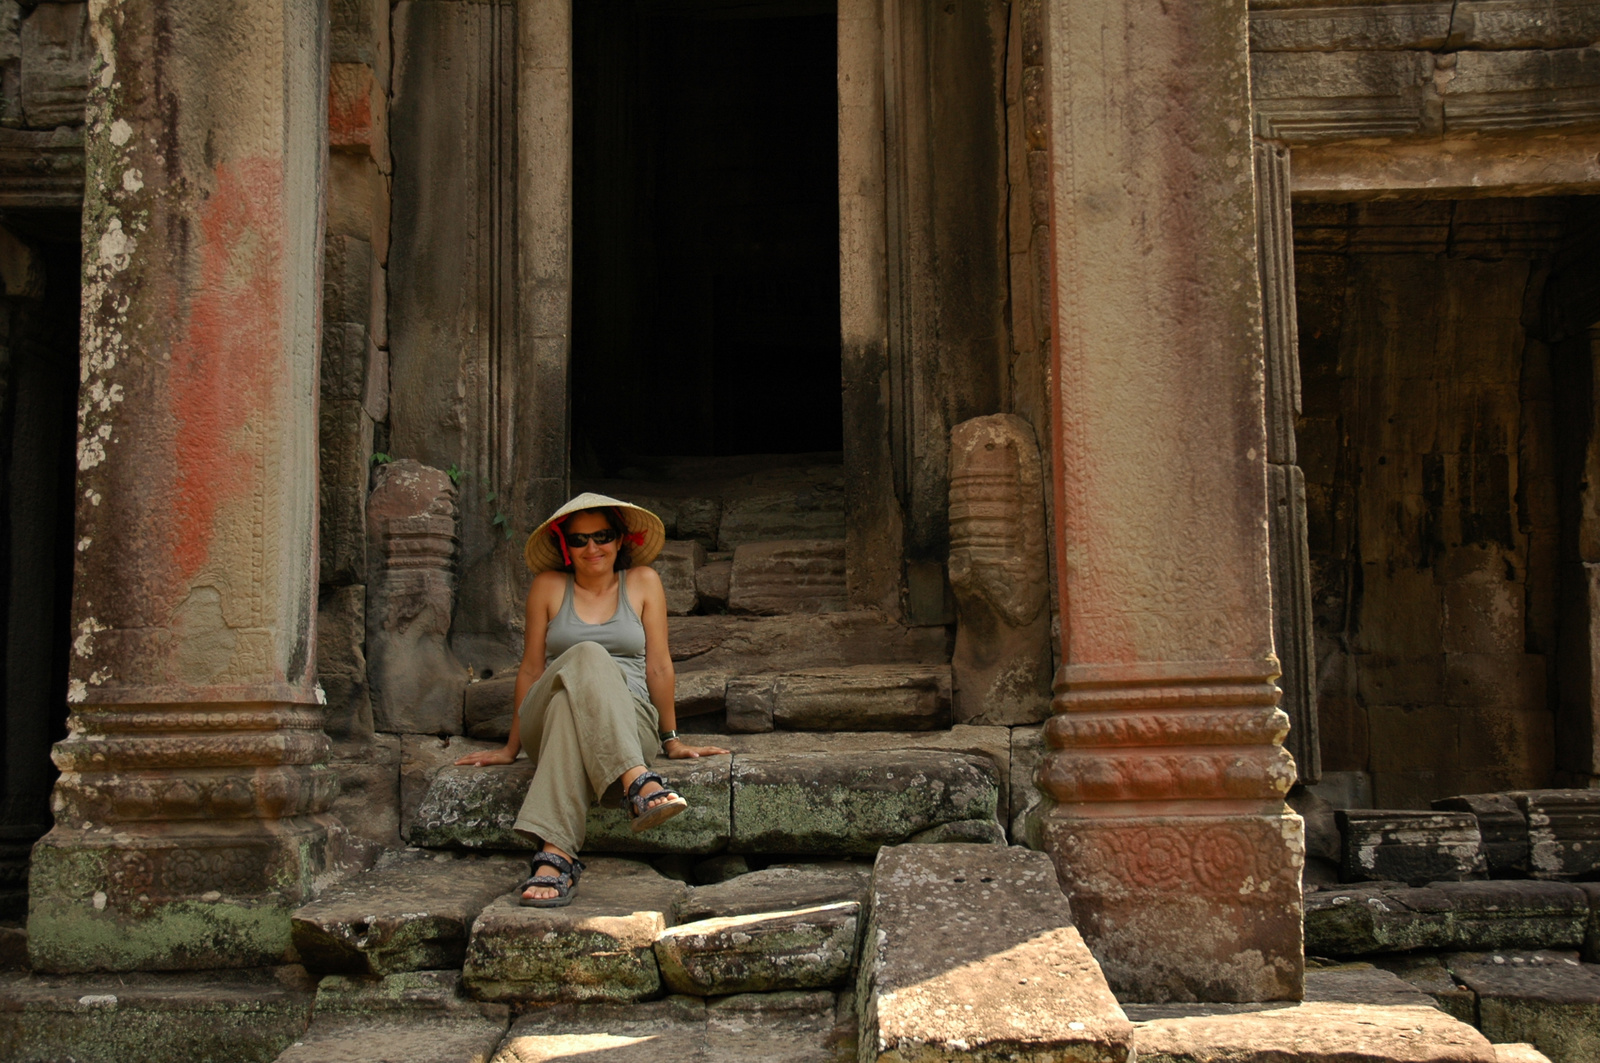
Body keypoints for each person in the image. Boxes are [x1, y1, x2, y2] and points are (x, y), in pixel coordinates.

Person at [455, 492, 728, 906]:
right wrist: (512, 748)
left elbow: (658, 666)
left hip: (629, 719)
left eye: (601, 536)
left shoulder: (643, 583)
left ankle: (556, 854)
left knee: (570, 706)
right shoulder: (548, 587)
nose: (592, 547)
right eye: (579, 540)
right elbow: (530, 670)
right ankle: (638, 782)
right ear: (567, 547)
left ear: (620, 540)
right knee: (584, 655)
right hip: (542, 722)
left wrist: (671, 738)